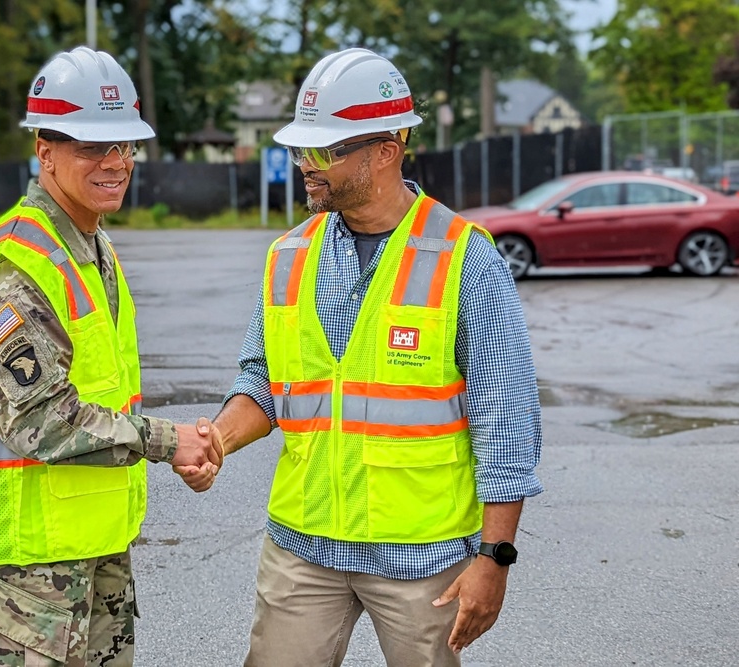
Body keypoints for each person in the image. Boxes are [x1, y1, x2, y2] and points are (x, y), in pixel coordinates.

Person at [180, 48, 543, 665]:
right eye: (301, 150)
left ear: (386, 149)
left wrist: (495, 557)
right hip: (303, 548)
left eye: (324, 151)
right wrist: (219, 437)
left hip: (422, 558)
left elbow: (505, 421)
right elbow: (264, 386)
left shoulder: (465, 258)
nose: (306, 166)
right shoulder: (287, 255)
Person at [0, 46, 222, 667]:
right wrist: (167, 440)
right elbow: (39, 420)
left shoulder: (91, 244)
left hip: (92, 543)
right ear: (45, 153)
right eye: (93, 146)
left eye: (124, 146)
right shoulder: (14, 266)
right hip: (25, 564)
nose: (115, 162)